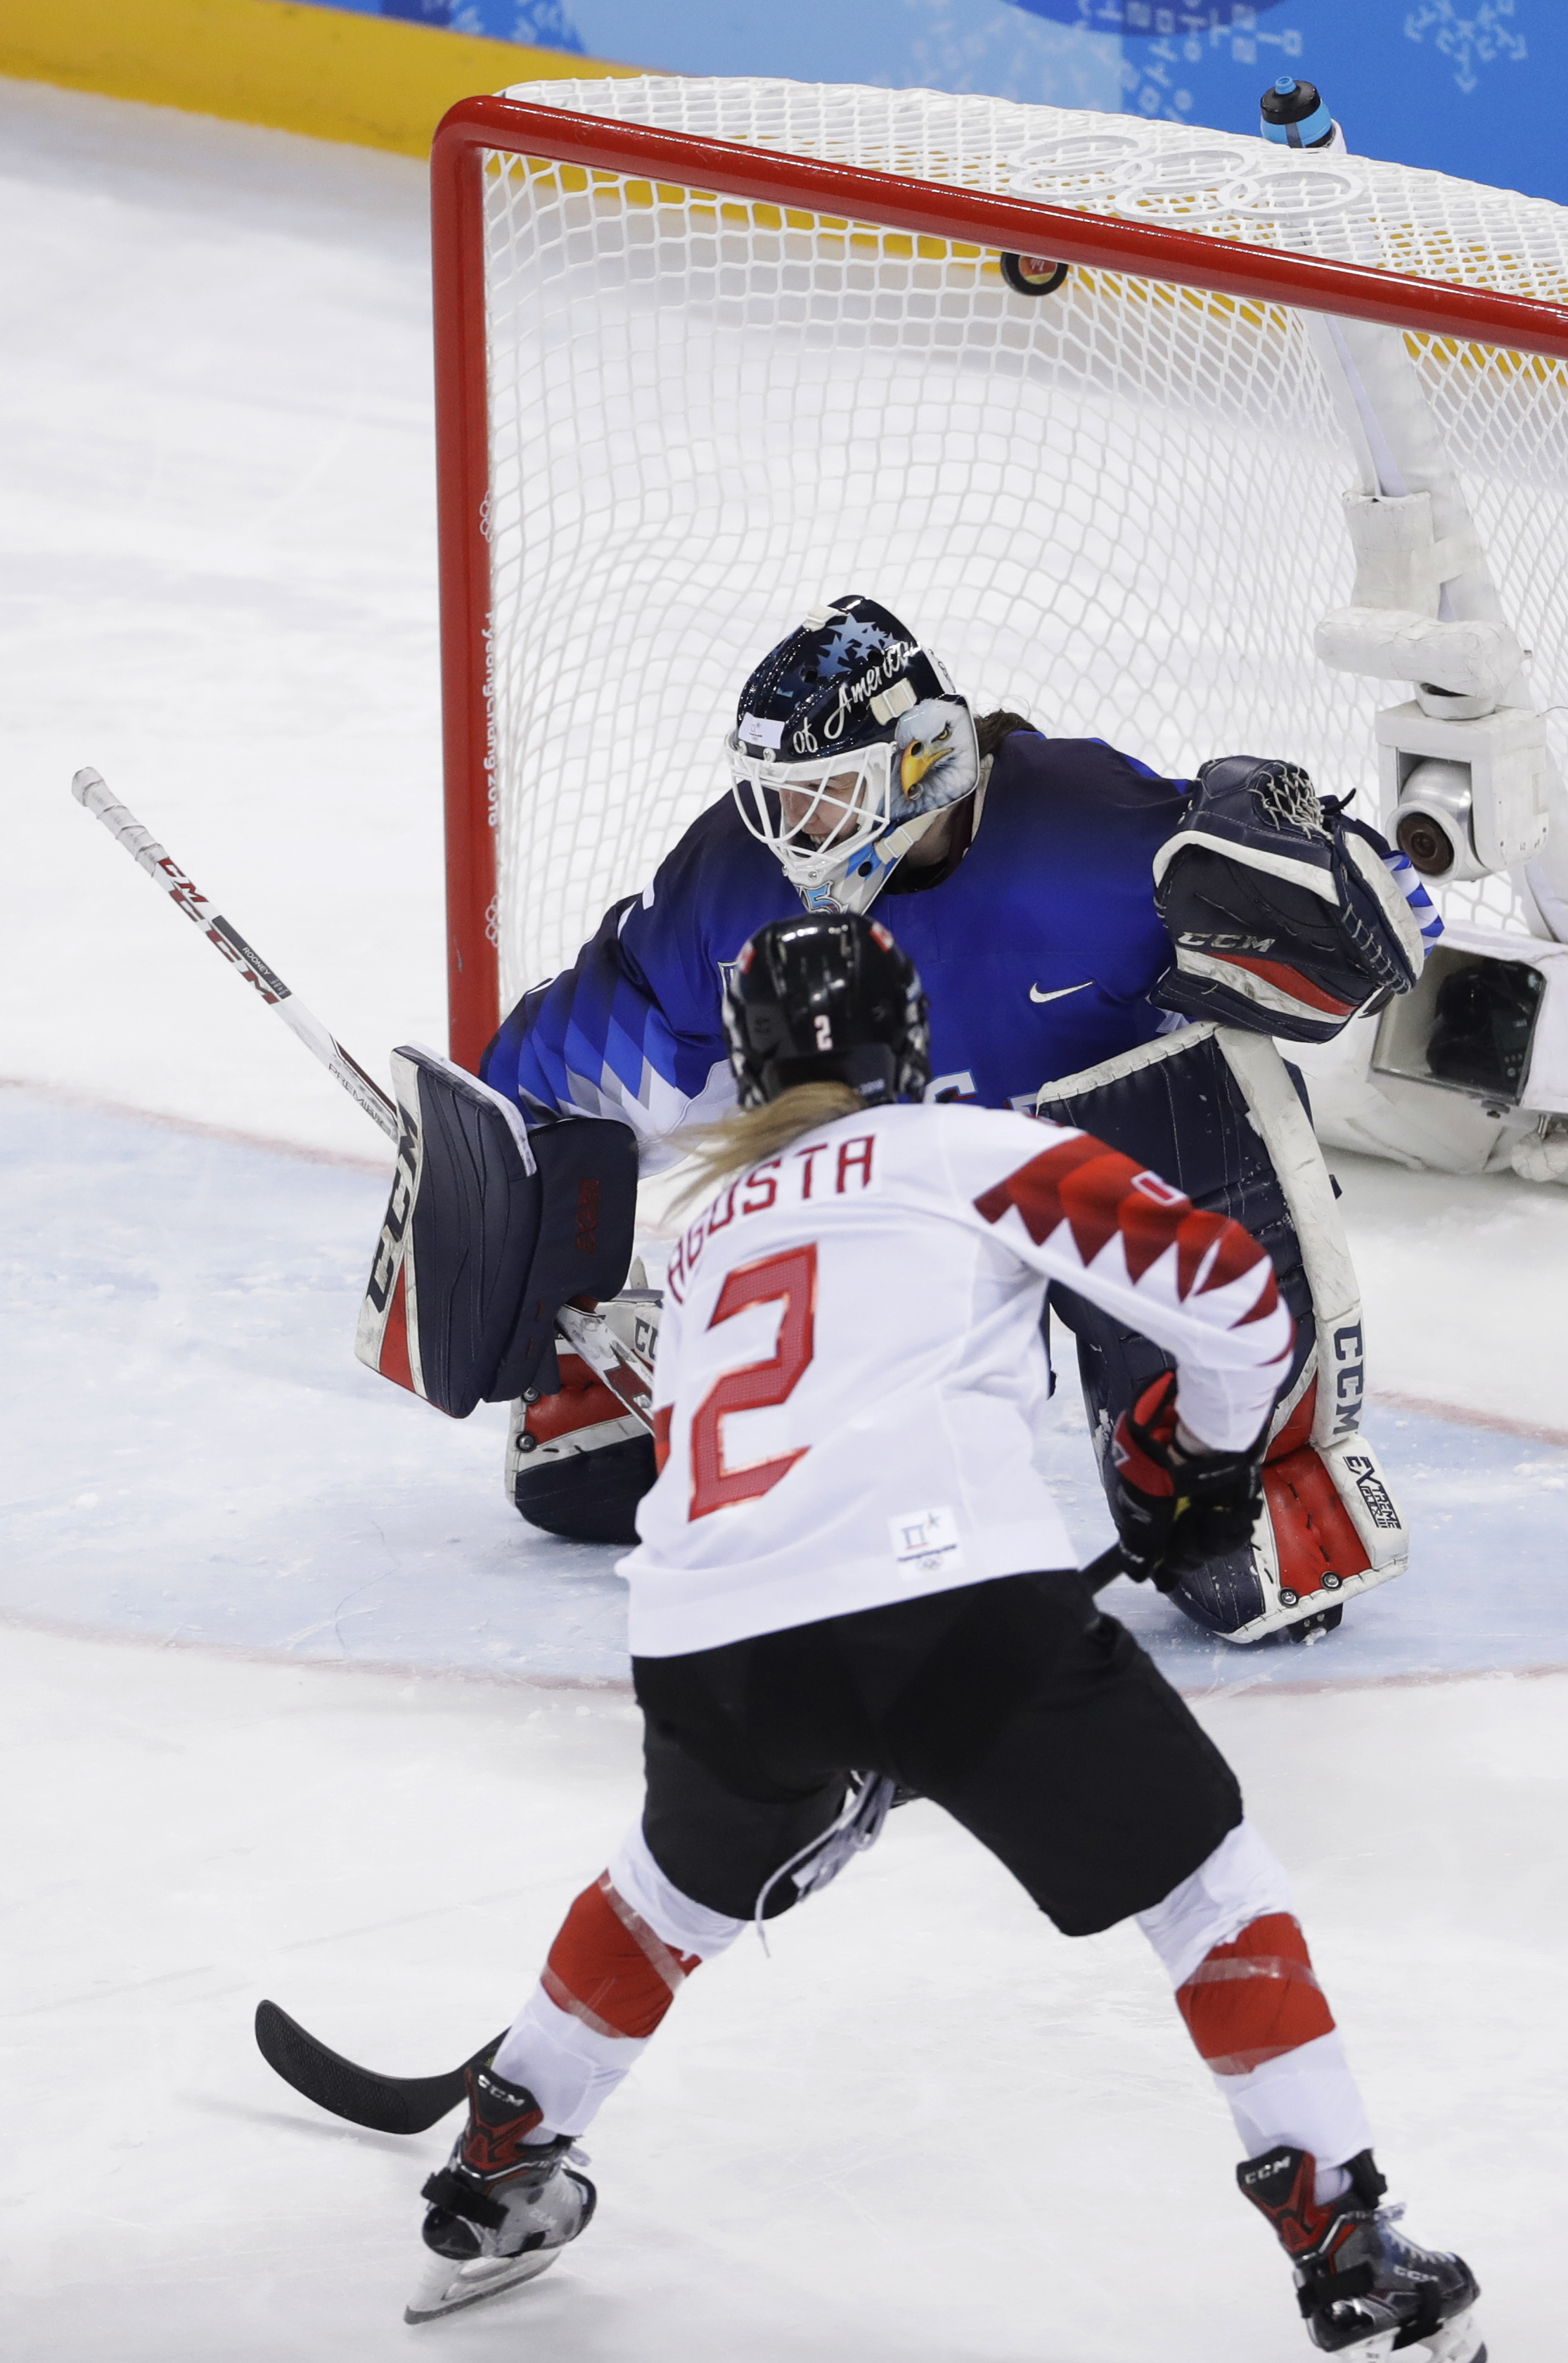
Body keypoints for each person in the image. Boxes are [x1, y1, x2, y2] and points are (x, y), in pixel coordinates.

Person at [406, 914, 1481, 2361]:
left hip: (705, 1646)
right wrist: (1202, 1465)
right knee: (1209, 1892)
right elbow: (1230, 1290)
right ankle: (1346, 2245)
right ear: (904, 1040)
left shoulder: (707, 1227)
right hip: (950, 1610)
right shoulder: (970, 1151)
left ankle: (496, 2175)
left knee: (663, 1896)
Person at [482, 595, 1433, 1645]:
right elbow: (587, 1060)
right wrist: (507, 1185)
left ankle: (1242, 1453)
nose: (796, 837)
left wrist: (1342, 875)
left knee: (1206, 1096)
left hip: (1095, 1175)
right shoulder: (741, 880)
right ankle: (624, 1381)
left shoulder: (1091, 835)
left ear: (921, 757)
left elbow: (1367, 938)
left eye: (828, 797)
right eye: (779, 802)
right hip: (896, 1201)